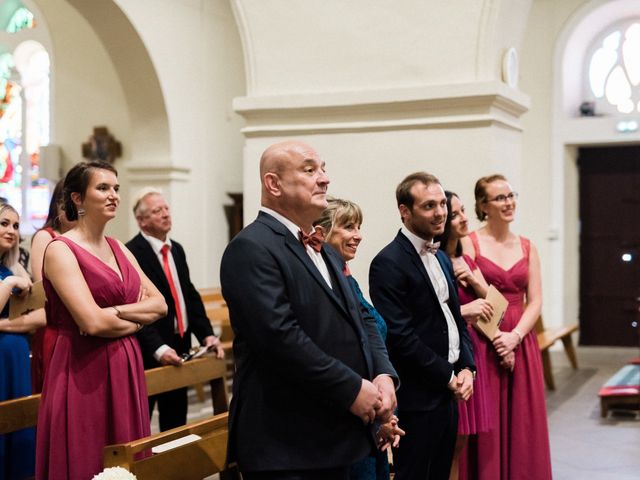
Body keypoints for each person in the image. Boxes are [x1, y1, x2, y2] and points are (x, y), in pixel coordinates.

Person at [220, 140, 398, 480]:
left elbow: (362, 319)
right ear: (273, 184)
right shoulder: (251, 248)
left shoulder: (327, 252)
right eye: (309, 169)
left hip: (339, 434)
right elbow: (279, 338)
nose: (324, 179)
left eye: (324, 169)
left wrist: (383, 374)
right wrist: (351, 389)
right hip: (289, 444)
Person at [35, 160, 167, 479]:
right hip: (82, 366)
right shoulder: (61, 250)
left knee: (128, 453)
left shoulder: (119, 247)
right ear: (78, 198)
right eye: (103, 188)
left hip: (126, 363)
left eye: (116, 189)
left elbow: (160, 305)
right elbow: (91, 323)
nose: (114, 196)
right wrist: (135, 318)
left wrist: (117, 312)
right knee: (87, 454)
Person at [369, 172, 475, 480]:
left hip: (447, 391)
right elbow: (401, 336)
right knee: (414, 474)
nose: (441, 212)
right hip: (419, 395)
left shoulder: (441, 257)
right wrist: (447, 375)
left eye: (443, 203)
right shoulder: (388, 262)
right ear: (405, 211)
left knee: (441, 471)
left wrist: (468, 366)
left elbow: (455, 320)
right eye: (429, 205)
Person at [460, 174, 551, 479]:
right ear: (483, 205)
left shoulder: (528, 247)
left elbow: (535, 300)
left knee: (523, 421)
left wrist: (514, 337)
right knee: (491, 422)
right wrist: (499, 338)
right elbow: (471, 294)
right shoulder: (469, 243)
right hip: (486, 338)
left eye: (511, 195)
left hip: (520, 338)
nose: (509, 202)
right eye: (500, 198)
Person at [314, 197, 404, 480]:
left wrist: (386, 411)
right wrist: (377, 416)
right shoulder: (323, 285)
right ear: (322, 232)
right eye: (348, 227)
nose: (358, 235)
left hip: (373, 413)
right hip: (350, 417)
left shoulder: (347, 279)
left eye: (359, 226)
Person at [126, 187, 224, 431]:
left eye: (166, 208)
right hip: (149, 350)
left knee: (175, 422)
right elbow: (134, 306)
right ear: (141, 220)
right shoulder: (130, 252)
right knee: (140, 424)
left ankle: (173, 467)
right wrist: (158, 348)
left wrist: (206, 335)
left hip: (179, 343)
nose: (165, 214)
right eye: (157, 210)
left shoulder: (176, 249)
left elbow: (188, 295)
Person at [435, 191, 494, 480]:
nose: (463, 218)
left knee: (460, 444)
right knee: (449, 443)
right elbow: (431, 318)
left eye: (462, 211)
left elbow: (497, 310)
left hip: (473, 357)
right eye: (456, 213)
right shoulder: (435, 260)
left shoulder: (466, 260)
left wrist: (472, 280)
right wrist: (465, 310)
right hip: (451, 358)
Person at [0, 203, 37, 480]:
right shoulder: (10, 276)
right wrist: (10, 282)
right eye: (4, 223)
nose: (11, 230)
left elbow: (40, 317)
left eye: (15, 225)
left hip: (17, 358)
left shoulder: (12, 268)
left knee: (21, 429)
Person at [29, 179, 76, 393]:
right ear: (57, 205)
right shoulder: (45, 236)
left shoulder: (87, 239)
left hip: (82, 329)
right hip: (56, 328)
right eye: (65, 202)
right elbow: (43, 289)